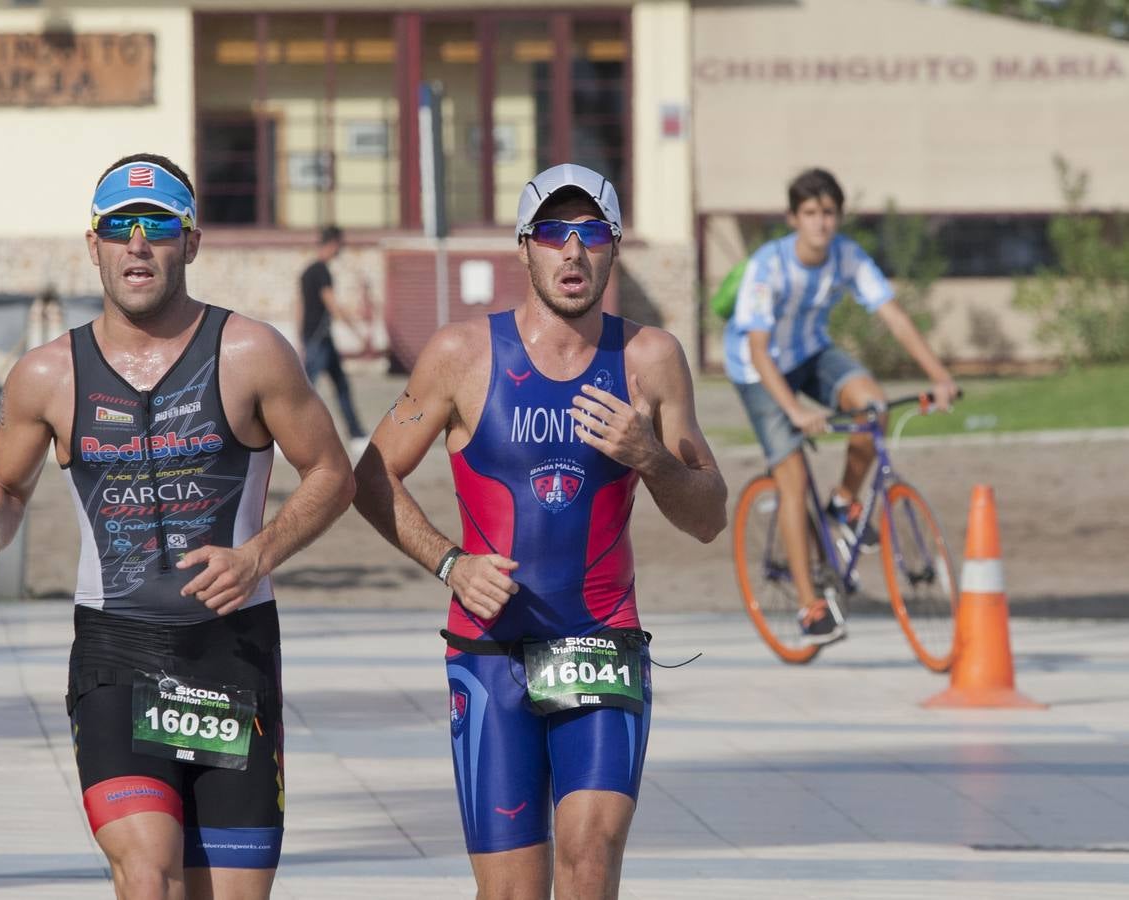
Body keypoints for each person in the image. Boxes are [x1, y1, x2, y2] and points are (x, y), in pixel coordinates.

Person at [0, 153, 355, 900]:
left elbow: (333, 473)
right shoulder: (48, 374)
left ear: (190, 244)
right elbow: (3, 483)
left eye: (159, 225)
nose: (138, 242)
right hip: (116, 653)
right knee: (148, 876)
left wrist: (258, 553)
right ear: (93, 243)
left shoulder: (250, 352)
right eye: (119, 227)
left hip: (232, 653)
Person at [353, 163, 727, 900]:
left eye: (590, 232)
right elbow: (368, 476)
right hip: (490, 653)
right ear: (524, 247)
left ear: (614, 248)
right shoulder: (463, 355)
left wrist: (648, 456)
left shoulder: (649, 359)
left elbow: (710, 516)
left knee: (590, 855)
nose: (572, 251)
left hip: (600, 638)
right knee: (512, 892)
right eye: (553, 232)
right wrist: (451, 563)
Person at [723, 167, 958, 645]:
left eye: (829, 212)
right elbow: (758, 350)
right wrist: (792, 411)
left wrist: (939, 376)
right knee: (789, 476)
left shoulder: (847, 257)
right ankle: (811, 608)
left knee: (873, 406)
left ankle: (844, 501)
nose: (821, 223)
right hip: (758, 370)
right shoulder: (767, 267)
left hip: (811, 352)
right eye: (810, 213)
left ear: (839, 217)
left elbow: (892, 315)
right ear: (793, 218)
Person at [298, 225, 367, 448]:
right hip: (319, 339)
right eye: (340, 245)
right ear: (333, 244)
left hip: (317, 338)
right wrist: (356, 331)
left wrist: (300, 338)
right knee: (306, 390)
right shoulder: (321, 271)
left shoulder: (307, 271)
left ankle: (356, 435)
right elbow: (331, 303)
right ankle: (288, 436)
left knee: (339, 386)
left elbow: (298, 306)